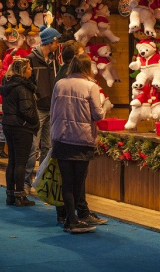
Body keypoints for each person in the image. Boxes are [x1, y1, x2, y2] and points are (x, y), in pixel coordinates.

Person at [50, 54, 107, 234]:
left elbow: (52, 110)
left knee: (67, 182)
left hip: (61, 137)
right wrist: (106, 106)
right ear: (87, 68)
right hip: (82, 139)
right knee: (78, 182)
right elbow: (98, 115)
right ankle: (74, 220)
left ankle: (70, 219)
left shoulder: (59, 84)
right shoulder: (92, 86)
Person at [24, 26, 61, 193]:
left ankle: (41, 183)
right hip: (38, 108)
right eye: (56, 40)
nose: (57, 43)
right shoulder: (31, 59)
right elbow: (26, 80)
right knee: (33, 146)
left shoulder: (54, 60)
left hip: (52, 107)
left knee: (47, 146)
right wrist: (36, 93)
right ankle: (25, 181)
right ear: (50, 42)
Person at [0, 58, 39, 207]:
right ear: (22, 71)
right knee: (21, 162)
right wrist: (35, 122)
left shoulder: (8, 84)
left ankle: (10, 194)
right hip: (21, 127)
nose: (31, 70)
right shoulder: (23, 87)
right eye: (29, 68)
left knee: (12, 162)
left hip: (9, 125)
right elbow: (26, 109)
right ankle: (20, 196)